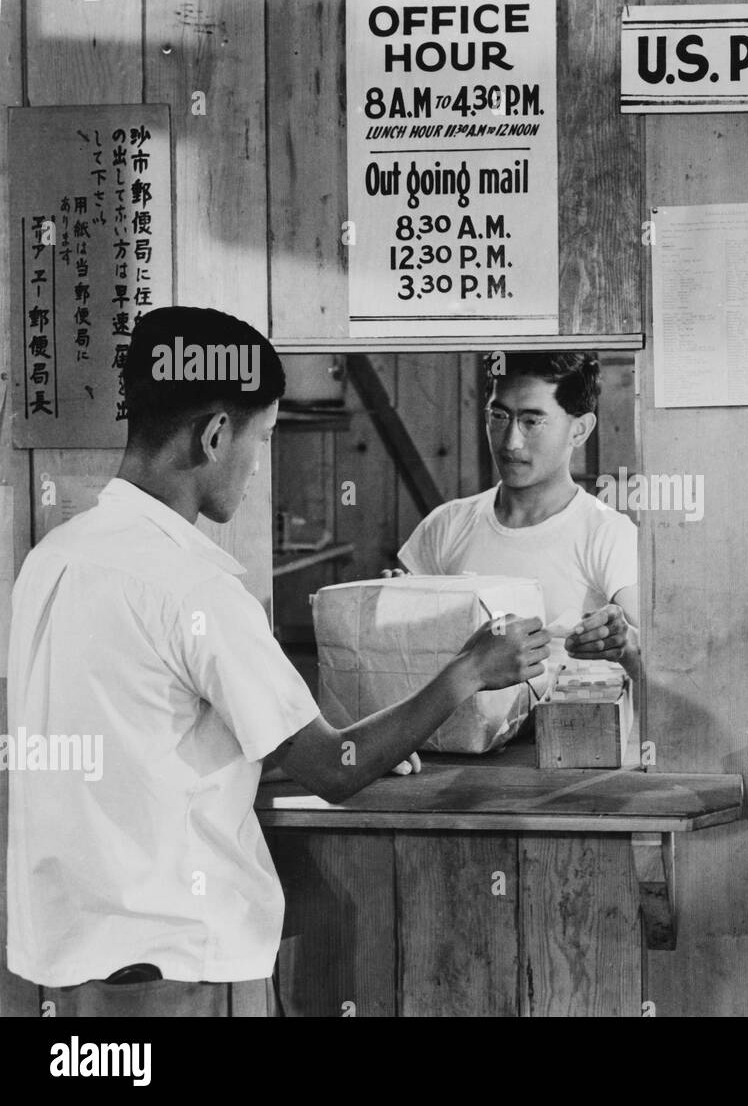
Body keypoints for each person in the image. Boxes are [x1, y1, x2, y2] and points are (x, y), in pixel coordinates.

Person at [5, 306, 548, 1016]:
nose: (258, 467)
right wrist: (469, 670)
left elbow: (142, 735)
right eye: (261, 439)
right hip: (177, 971)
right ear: (214, 434)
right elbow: (334, 768)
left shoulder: (52, 560)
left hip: (55, 968)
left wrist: (378, 738)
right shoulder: (194, 586)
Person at [393, 352, 640, 678]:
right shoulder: (446, 525)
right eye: (499, 416)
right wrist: (388, 606)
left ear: (579, 430)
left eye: (532, 421)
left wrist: (628, 644)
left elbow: (666, 669)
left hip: (564, 727)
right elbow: (398, 656)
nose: (511, 442)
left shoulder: (608, 533)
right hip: (461, 728)